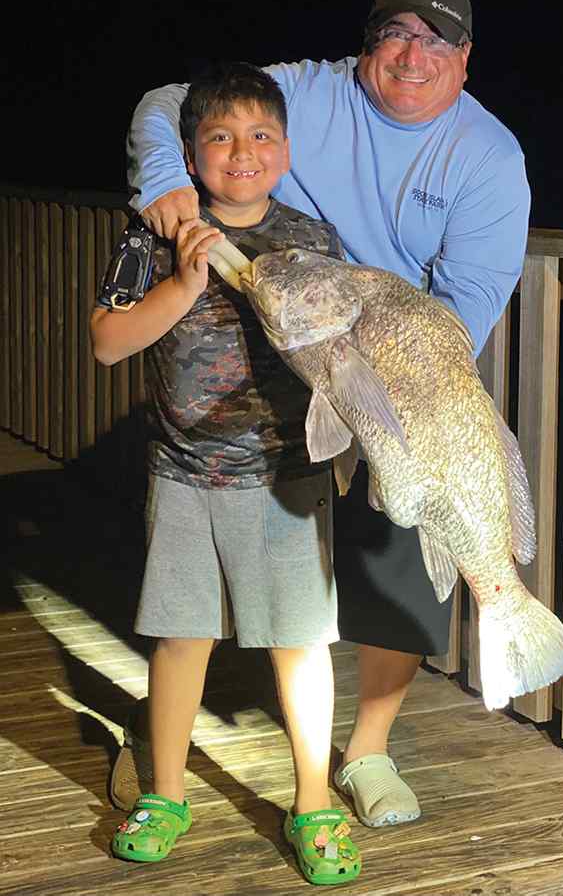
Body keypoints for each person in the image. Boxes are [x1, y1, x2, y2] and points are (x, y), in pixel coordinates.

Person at [118, 0, 531, 831]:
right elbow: (169, 102)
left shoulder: (488, 157)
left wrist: (383, 392)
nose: (414, 57)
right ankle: (166, 744)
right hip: (282, 357)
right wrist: (166, 179)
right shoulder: (312, 91)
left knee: (401, 541)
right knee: (231, 581)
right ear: (368, 41)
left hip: (394, 357)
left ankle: (367, 749)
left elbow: (464, 311)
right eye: (397, 35)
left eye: (438, 41)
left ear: (466, 59)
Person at [91, 62, 363, 884]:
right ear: (190, 149)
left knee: (299, 646)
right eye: (219, 137)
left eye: (260, 137)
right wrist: (184, 282)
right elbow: (108, 341)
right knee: (181, 638)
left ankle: (313, 799)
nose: (241, 153)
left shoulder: (311, 242)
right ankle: (165, 792)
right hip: (183, 473)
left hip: (287, 477)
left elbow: (341, 359)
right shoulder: (153, 233)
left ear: (285, 150)